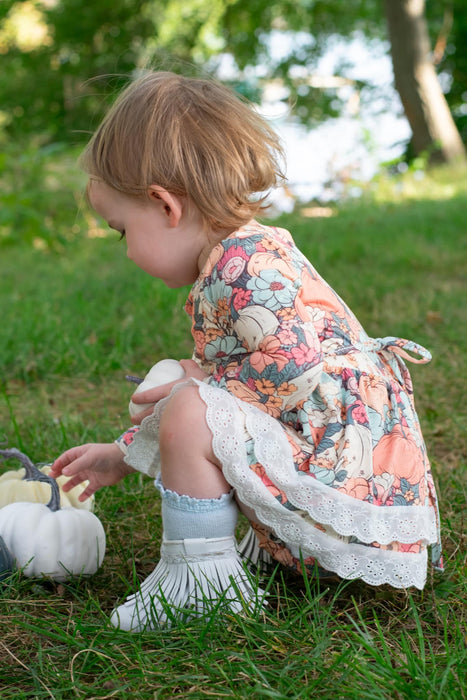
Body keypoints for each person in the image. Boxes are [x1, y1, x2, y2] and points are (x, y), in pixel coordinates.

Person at [50, 70, 443, 632]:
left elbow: (290, 368)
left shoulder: (243, 266)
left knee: (192, 404)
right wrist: (122, 452)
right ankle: (259, 556)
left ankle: (199, 582)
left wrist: (196, 387)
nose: (126, 250)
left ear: (165, 207)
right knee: (196, 399)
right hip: (334, 452)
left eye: (121, 230)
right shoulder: (235, 258)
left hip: (342, 469)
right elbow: (243, 394)